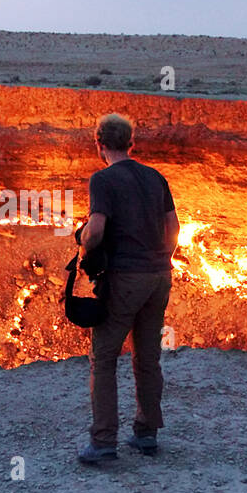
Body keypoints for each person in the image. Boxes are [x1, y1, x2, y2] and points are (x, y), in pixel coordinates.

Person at [76, 113, 179, 465]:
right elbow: (174, 227)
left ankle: (103, 441)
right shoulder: (155, 177)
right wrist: (162, 260)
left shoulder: (102, 180)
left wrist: (83, 244)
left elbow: (98, 229)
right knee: (147, 358)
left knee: (104, 358)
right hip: (158, 276)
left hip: (125, 278)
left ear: (99, 144)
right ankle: (146, 434)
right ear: (131, 143)